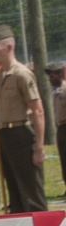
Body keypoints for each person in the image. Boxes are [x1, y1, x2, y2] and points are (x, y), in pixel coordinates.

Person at [0, 23, 50, 226]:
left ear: (9, 46)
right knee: (15, 195)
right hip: (4, 135)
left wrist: (39, 146)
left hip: (23, 134)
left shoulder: (22, 74)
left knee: (32, 194)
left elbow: (38, 111)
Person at [44, 60, 66, 200]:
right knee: (63, 160)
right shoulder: (54, 92)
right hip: (60, 127)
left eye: (52, 76)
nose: (50, 80)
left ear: (60, 74)